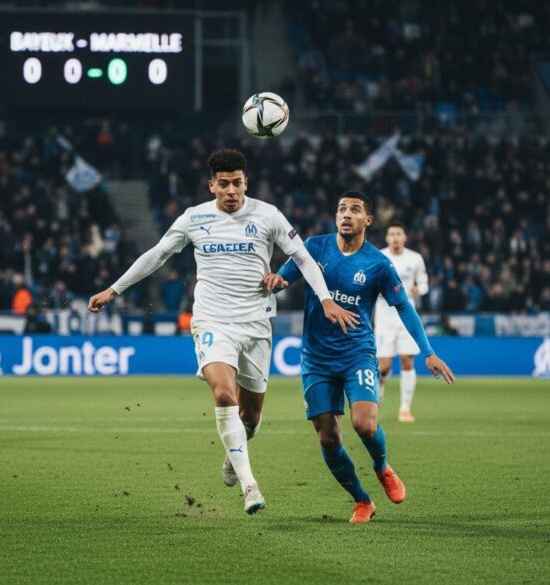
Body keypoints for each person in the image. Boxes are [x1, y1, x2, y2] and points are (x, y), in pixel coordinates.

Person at [88, 149, 357, 515]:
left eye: (237, 183)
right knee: (223, 394)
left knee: (251, 419)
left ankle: (235, 454)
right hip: (213, 320)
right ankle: (250, 486)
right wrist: (113, 289)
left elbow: (302, 258)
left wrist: (325, 298)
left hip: (256, 324)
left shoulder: (268, 215)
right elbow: (157, 254)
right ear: (211, 185)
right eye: (224, 184)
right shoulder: (194, 218)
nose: (231, 190)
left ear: (246, 182)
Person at [267, 191, 455, 523]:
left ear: (368, 220)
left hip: (357, 354)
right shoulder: (313, 247)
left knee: (364, 425)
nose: (346, 214)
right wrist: (274, 281)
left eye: (355, 210)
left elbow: (404, 308)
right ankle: (362, 500)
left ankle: (382, 466)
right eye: (341, 209)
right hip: (316, 357)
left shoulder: (378, 264)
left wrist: (428, 352)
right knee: (327, 437)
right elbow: (284, 278)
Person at [373, 222, 429, 422]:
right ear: (387, 238)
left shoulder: (415, 258)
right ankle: (377, 398)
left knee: (407, 359)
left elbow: (423, 282)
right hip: (384, 316)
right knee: (384, 366)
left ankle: (405, 409)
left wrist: (419, 290)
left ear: (404, 237)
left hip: (406, 314)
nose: (395, 237)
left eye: (398, 233)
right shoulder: (378, 256)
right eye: (391, 234)